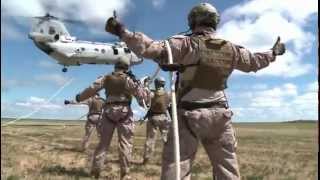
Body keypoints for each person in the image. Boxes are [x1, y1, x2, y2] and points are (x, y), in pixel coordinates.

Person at [105, 2, 286, 179]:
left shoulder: (184, 44)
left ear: (192, 21)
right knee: (227, 169)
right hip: (221, 116)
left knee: (176, 167)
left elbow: (149, 48)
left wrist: (122, 31)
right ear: (215, 21)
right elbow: (255, 62)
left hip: (189, 116)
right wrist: (273, 52)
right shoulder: (232, 49)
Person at [74, 56, 149, 179]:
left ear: (115, 66)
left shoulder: (106, 77)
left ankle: (95, 171)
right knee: (125, 144)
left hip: (108, 111)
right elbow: (142, 100)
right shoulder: (130, 79)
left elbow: (92, 88)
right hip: (125, 111)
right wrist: (143, 89)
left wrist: (79, 97)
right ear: (127, 67)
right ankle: (125, 174)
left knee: (103, 144)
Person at [142, 77, 171, 165]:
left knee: (150, 140)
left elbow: (146, 98)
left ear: (156, 83)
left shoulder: (152, 94)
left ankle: (146, 159)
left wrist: (146, 83)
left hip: (153, 117)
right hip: (165, 118)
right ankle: (169, 158)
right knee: (166, 140)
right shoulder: (168, 94)